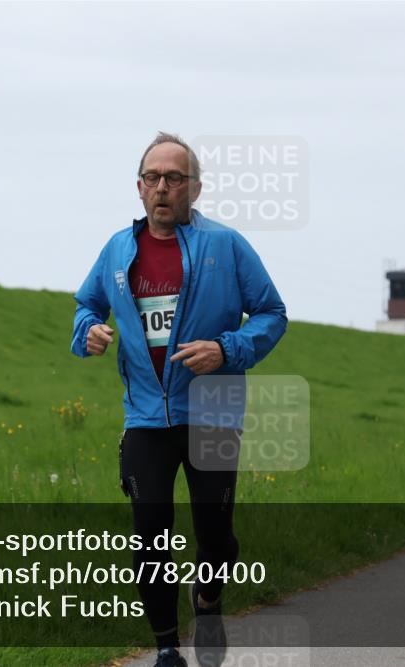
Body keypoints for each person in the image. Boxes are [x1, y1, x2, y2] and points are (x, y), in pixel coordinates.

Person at [71, 132, 288, 667]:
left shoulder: (225, 244)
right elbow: (86, 306)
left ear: (195, 187)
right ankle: (168, 646)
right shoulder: (119, 250)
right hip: (146, 415)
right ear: (139, 187)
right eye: (152, 178)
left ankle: (209, 598)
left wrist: (226, 348)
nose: (162, 187)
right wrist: (89, 333)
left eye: (174, 178)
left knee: (215, 536)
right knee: (150, 535)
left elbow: (272, 313)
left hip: (212, 410)